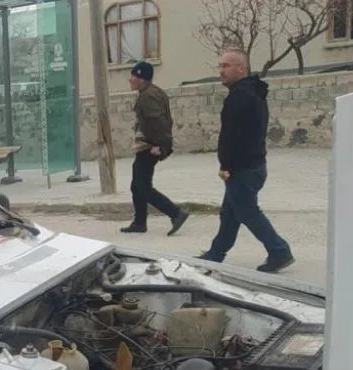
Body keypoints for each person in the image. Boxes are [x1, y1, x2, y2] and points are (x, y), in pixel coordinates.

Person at [196, 50, 295, 273]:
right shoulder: (252, 92)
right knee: (230, 213)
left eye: (226, 66)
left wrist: (225, 166)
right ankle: (216, 253)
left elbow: (233, 136)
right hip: (252, 165)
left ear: (241, 68)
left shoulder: (240, 97)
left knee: (248, 212)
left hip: (242, 168)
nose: (221, 71)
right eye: (220, 66)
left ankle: (280, 251)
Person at [120, 61, 188, 236]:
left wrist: (160, 146)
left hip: (150, 146)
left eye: (133, 76)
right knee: (137, 185)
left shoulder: (148, 96)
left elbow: (158, 121)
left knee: (142, 186)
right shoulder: (153, 92)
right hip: (149, 144)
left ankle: (175, 213)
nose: (130, 80)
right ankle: (139, 222)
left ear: (141, 78)